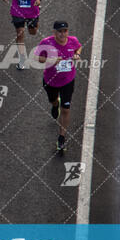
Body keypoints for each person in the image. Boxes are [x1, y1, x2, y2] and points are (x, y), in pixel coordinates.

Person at [34, 21, 82, 152]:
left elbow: (78, 47)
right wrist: (51, 60)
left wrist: (77, 54)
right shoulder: (47, 43)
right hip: (51, 81)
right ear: (54, 32)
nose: (63, 34)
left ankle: (62, 137)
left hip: (67, 81)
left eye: (65, 31)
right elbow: (37, 57)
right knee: (53, 100)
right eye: (60, 31)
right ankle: (55, 105)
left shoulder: (73, 41)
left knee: (66, 109)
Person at [2, 0, 44, 70]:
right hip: (17, 10)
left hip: (32, 10)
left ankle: (35, 22)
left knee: (33, 32)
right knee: (20, 33)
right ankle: (22, 59)